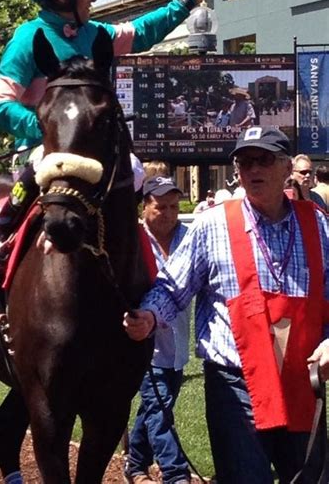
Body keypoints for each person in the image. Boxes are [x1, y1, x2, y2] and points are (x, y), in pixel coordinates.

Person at [0, 0, 219, 274]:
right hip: (44, 146)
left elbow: (144, 31)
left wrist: (190, 0)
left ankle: (133, 248)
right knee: (37, 167)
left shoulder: (97, 34)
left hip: (93, 151)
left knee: (135, 169)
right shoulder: (27, 38)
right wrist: (48, 129)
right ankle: (0, 238)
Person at [124, 126, 329, 484]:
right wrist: (149, 316)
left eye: (263, 160)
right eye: (244, 162)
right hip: (236, 387)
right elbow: (172, 289)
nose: (252, 170)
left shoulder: (318, 225)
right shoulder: (211, 225)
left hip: (302, 385)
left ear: (286, 168)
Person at [124, 176, 191, 484]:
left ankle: (135, 463)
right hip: (143, 346)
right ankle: (176, 474)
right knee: (159, 409)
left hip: (178, 344)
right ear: (145, 207)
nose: (168, 213)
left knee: (153, 409)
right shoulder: (132, 243)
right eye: (160, 206)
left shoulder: (189, 237)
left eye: (174, 206)